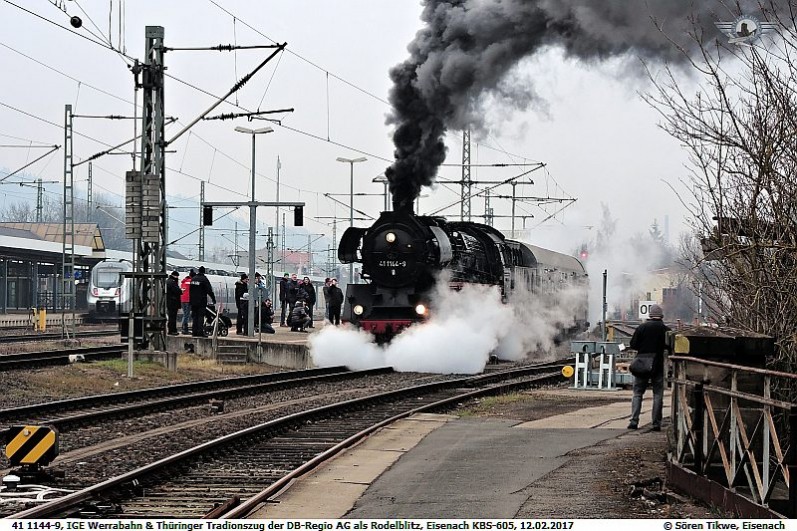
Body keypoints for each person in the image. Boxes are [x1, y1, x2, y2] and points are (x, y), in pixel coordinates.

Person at [628, 304, 671, 431]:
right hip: (657, 365)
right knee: (658, 394)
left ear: (650, 315)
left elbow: (633, 344)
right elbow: (669, 348)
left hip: (641, 365)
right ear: (661, 316)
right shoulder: (665, 330)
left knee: (637, 393)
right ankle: (656, 423)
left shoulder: (642, 328)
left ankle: (634, 421)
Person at [189, 266, 216, 337]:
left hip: (193, 301)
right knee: (200, 316)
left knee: (195, 317)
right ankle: (200, 332)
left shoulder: (193, 279)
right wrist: (213, 299)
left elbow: (190, 290)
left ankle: (194, 332)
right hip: (201, 301)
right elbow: (209, 290)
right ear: (204, 271)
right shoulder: (204, 279)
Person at [166, 271, 182, 335]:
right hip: (173, 302)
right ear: (175, 276)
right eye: (177, 276)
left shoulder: (168, 281)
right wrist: (181, 291)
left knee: (171, 317)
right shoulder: (172, 282)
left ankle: (171, 330)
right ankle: (172, 330)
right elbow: (177, 291)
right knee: (173, 317)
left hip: (170, 302)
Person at [180, 269, 195, 335]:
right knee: (186, 315)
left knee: (185, 314)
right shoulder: (191, 281)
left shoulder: (183, 282)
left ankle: (183, 327)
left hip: (182, 299)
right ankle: (184, 328)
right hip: (188, 300)